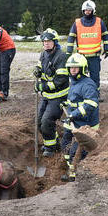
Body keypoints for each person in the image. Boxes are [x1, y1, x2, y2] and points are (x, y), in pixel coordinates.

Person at [60, 53, 99, 182]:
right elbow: (76, 100)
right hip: (73, 121)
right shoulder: (74, 82)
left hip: (85, 125)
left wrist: (74, 115)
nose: (73, 70)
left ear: (82, 69)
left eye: (76, 68)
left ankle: (74, 174)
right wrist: (67, 104)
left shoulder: (87, 84)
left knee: (76, 152)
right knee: (65, 144)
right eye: (71, 68)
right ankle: (69, 166)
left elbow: (91, 104)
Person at [33, 28, 69, 157]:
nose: (46, 43)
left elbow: (60, 80)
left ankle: (51, 148)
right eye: (44, 41)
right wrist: (37, 70)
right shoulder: (44, 54)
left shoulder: (61, 57)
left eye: (49, 41)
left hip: (59, 97)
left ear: (55, 42)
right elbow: (40, 65)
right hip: (47, 96)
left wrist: (42, 87)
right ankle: (53, 143)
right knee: (39, 122)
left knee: (47, 121)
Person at [66, 0, 108, 101]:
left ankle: (95, 96)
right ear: (83, 10)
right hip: (81, 58)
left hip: (94, 57)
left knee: (95, 78)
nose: (87, 11)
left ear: (93, 10)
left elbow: (106, 35)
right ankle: (79, 95)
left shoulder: (99, 22)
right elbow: (71, 37)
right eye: (86, 10)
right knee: (79, 77)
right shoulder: (77, 23)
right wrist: (68, 52)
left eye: (89, 10)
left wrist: (107, 49)